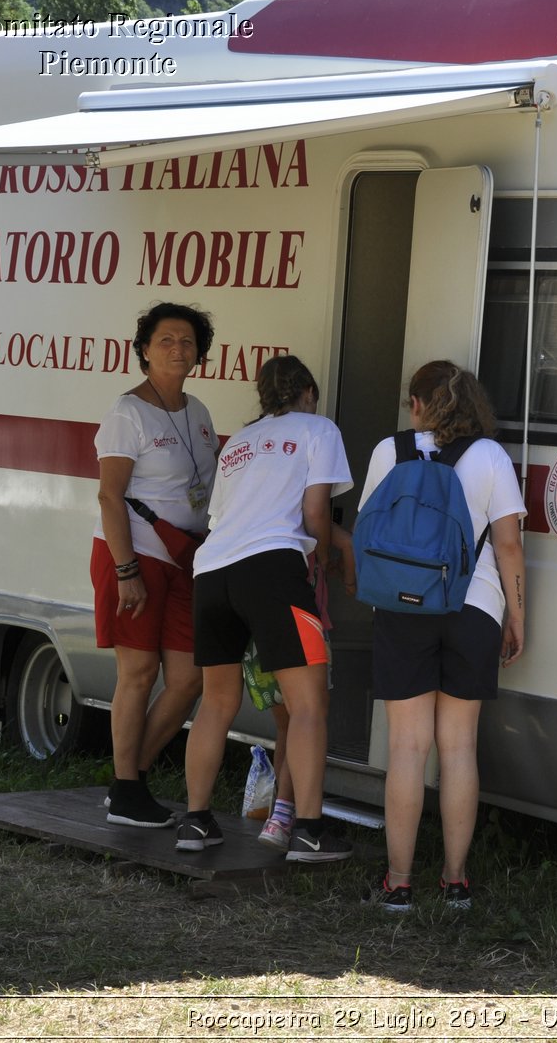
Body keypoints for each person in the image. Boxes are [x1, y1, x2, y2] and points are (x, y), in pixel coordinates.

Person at [176, 355, 357, 862]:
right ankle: (309, 830)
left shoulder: (240, 442)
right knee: (307, 706)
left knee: (215, 702)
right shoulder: (319, 429)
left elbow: (227, 515)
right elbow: (315, 511)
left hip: (211, 570)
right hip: (273, 570)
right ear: (307, 392)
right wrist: (319, 560)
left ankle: (195, 821)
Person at [360, 360, 526, 911]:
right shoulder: (491, 457)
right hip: (474, 607)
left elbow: (370, 530)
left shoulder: (389, 451)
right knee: (458, 747)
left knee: (407, 748)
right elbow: (508, 546)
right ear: (474, 406)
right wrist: (517, 615)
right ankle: (455, 880)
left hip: (404, 607)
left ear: (416, 405)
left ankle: (398, 882)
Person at [93, 302, 219, 827]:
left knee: (189, 678)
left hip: (186, 558)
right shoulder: (128, 412)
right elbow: (109, 496)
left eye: (188, 342)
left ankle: (130, 778)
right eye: (166, 340)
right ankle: (126, 790)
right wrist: (126, 571)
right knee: (140, 673)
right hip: (135, 556)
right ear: (144, 350)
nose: (178, 349)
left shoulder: (198, 412)